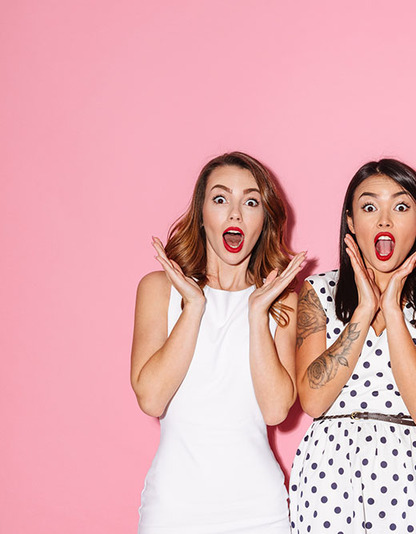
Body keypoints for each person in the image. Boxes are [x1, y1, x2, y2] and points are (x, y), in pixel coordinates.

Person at [131, 152, 305, 534]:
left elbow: (276, 410)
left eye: (251, 201)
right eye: (221, 199)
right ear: (202, 212)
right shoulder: (159, 289)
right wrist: (194, 305)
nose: (235, 215)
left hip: (258, 510)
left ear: (265, 219)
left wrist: (257, 314)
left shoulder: (281, 301)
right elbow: (152, 398)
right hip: (173, 509)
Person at [289, 159, 416, 533]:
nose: (385, 221)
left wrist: (393, 311)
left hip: (415, 475)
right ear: (350, 222)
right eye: (369, 207)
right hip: (330, 473)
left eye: (401, 207)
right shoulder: (318, 292)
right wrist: (364, 310)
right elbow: (314, 400)